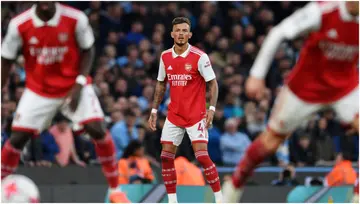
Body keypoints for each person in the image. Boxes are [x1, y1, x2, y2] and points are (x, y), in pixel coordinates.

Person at [222, 1, 359, 202]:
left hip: (344, 88)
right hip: (305, 89)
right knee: (271, 142)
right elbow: (278, 32)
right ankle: (234, 185)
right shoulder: (321, 11)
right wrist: (257, 75)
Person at [0, 2, 129, 203]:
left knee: (97, 128)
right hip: (39, 89)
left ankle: (115, 190)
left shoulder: (76, 19)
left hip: (73, 85)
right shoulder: (19, 24)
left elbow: (88, 50)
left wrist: (78, 83)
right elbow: (6, 59)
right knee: (18, 138)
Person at [148, 17, 223, 203]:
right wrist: (154, 111)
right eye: (178, 30)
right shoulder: (165, 56)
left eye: (184, 31)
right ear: (172, 34)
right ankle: (173, 200)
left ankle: (220, 199)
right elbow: (160, 84)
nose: (181, 34)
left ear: (189, 34)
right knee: (165, 157)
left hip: (196, 115)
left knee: (202, 156)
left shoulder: (199, 57)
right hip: (174, 115)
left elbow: (213, 84)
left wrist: (211, 109)